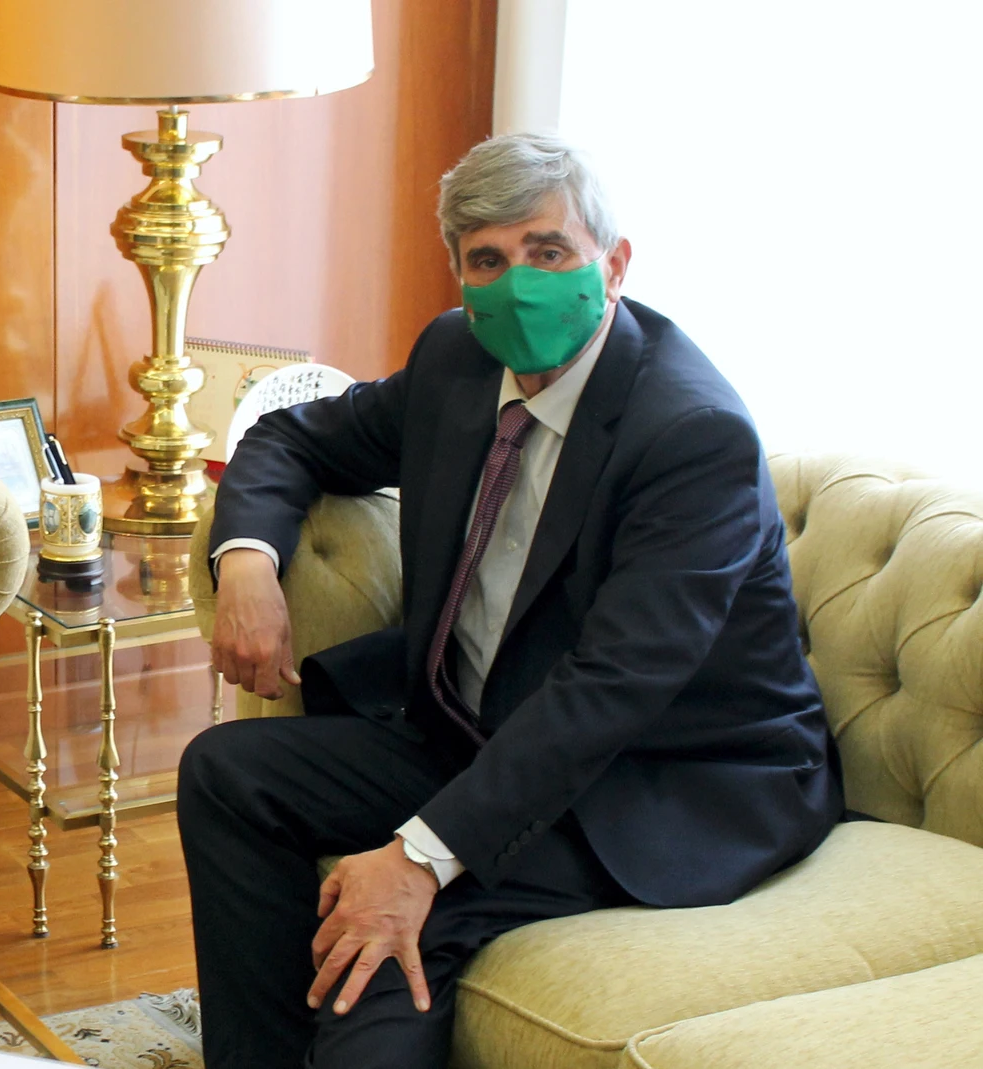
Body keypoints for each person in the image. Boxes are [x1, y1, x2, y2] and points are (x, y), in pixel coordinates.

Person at [179, 133, 841, 1069]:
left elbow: (611, 687)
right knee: (229, 773)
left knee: (398, 926)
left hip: (656, 777)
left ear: (612, 265)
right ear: (457, 273)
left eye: (548, 252)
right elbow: (291, 436)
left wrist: (414, 857)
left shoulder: (691, 435)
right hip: (478, 729)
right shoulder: (457, 358)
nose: (518, 282)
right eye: (488, 259)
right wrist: (245, 562)